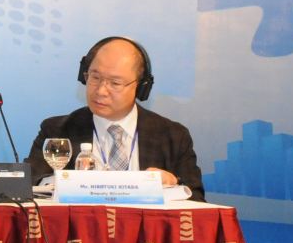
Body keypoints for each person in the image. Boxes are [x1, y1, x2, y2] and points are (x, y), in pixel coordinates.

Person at [29, 36, 204, 200]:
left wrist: (173, 183)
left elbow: (196, 200)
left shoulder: (173, 136)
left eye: (115, 83)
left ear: (141, 87)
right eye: (95, 77)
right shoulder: (57, 131)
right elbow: (30, 185)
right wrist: (63, 184)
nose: (100, 91)